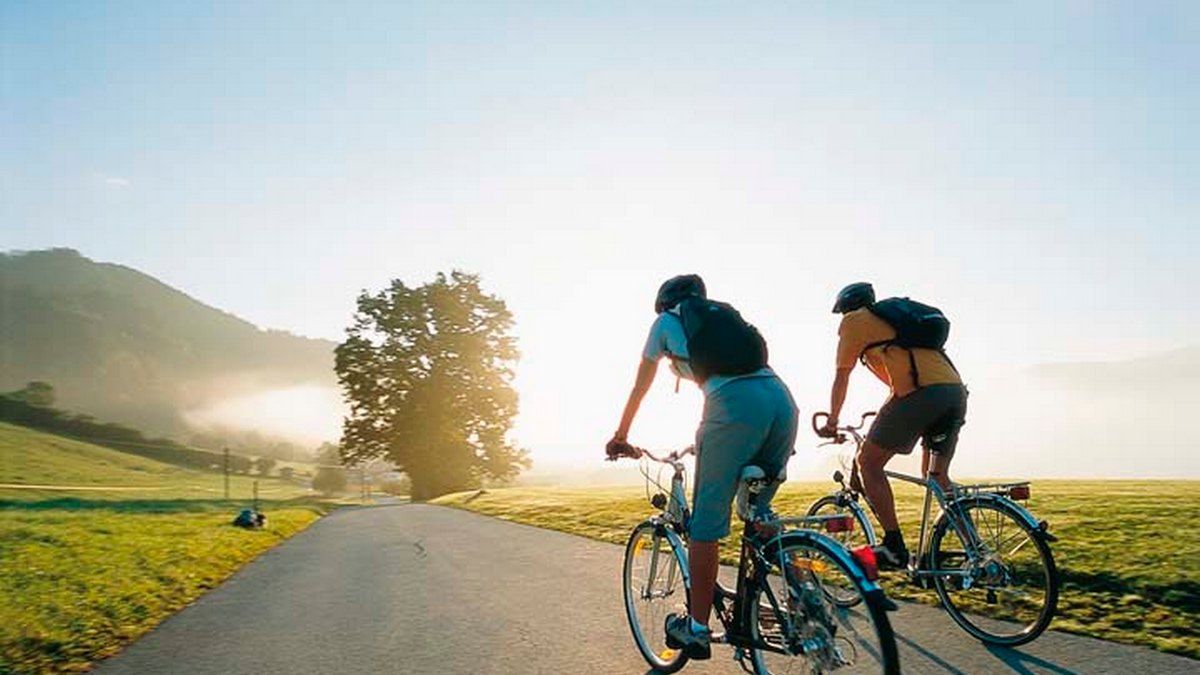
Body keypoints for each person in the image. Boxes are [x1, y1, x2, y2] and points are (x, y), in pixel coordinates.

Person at [606, 274, 798, 660]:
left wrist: (620, 436)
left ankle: (696, 629)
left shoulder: (665, 323)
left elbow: (640, 385)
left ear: (663, 303)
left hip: (733, 406)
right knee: (758, 514)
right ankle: (804, 602)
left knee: (705, 528)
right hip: (781, 401)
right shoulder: (724, 321)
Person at [818, 282, 968, 569]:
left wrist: (833, 420)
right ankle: (976, 549)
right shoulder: (896, 327)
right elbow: (900, 380)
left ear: (846, 308)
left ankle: (893, 547)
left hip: (923, 395)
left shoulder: (855, 321)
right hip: (954, 393)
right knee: (936, 477)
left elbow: (842, 375)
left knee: (868, 463)